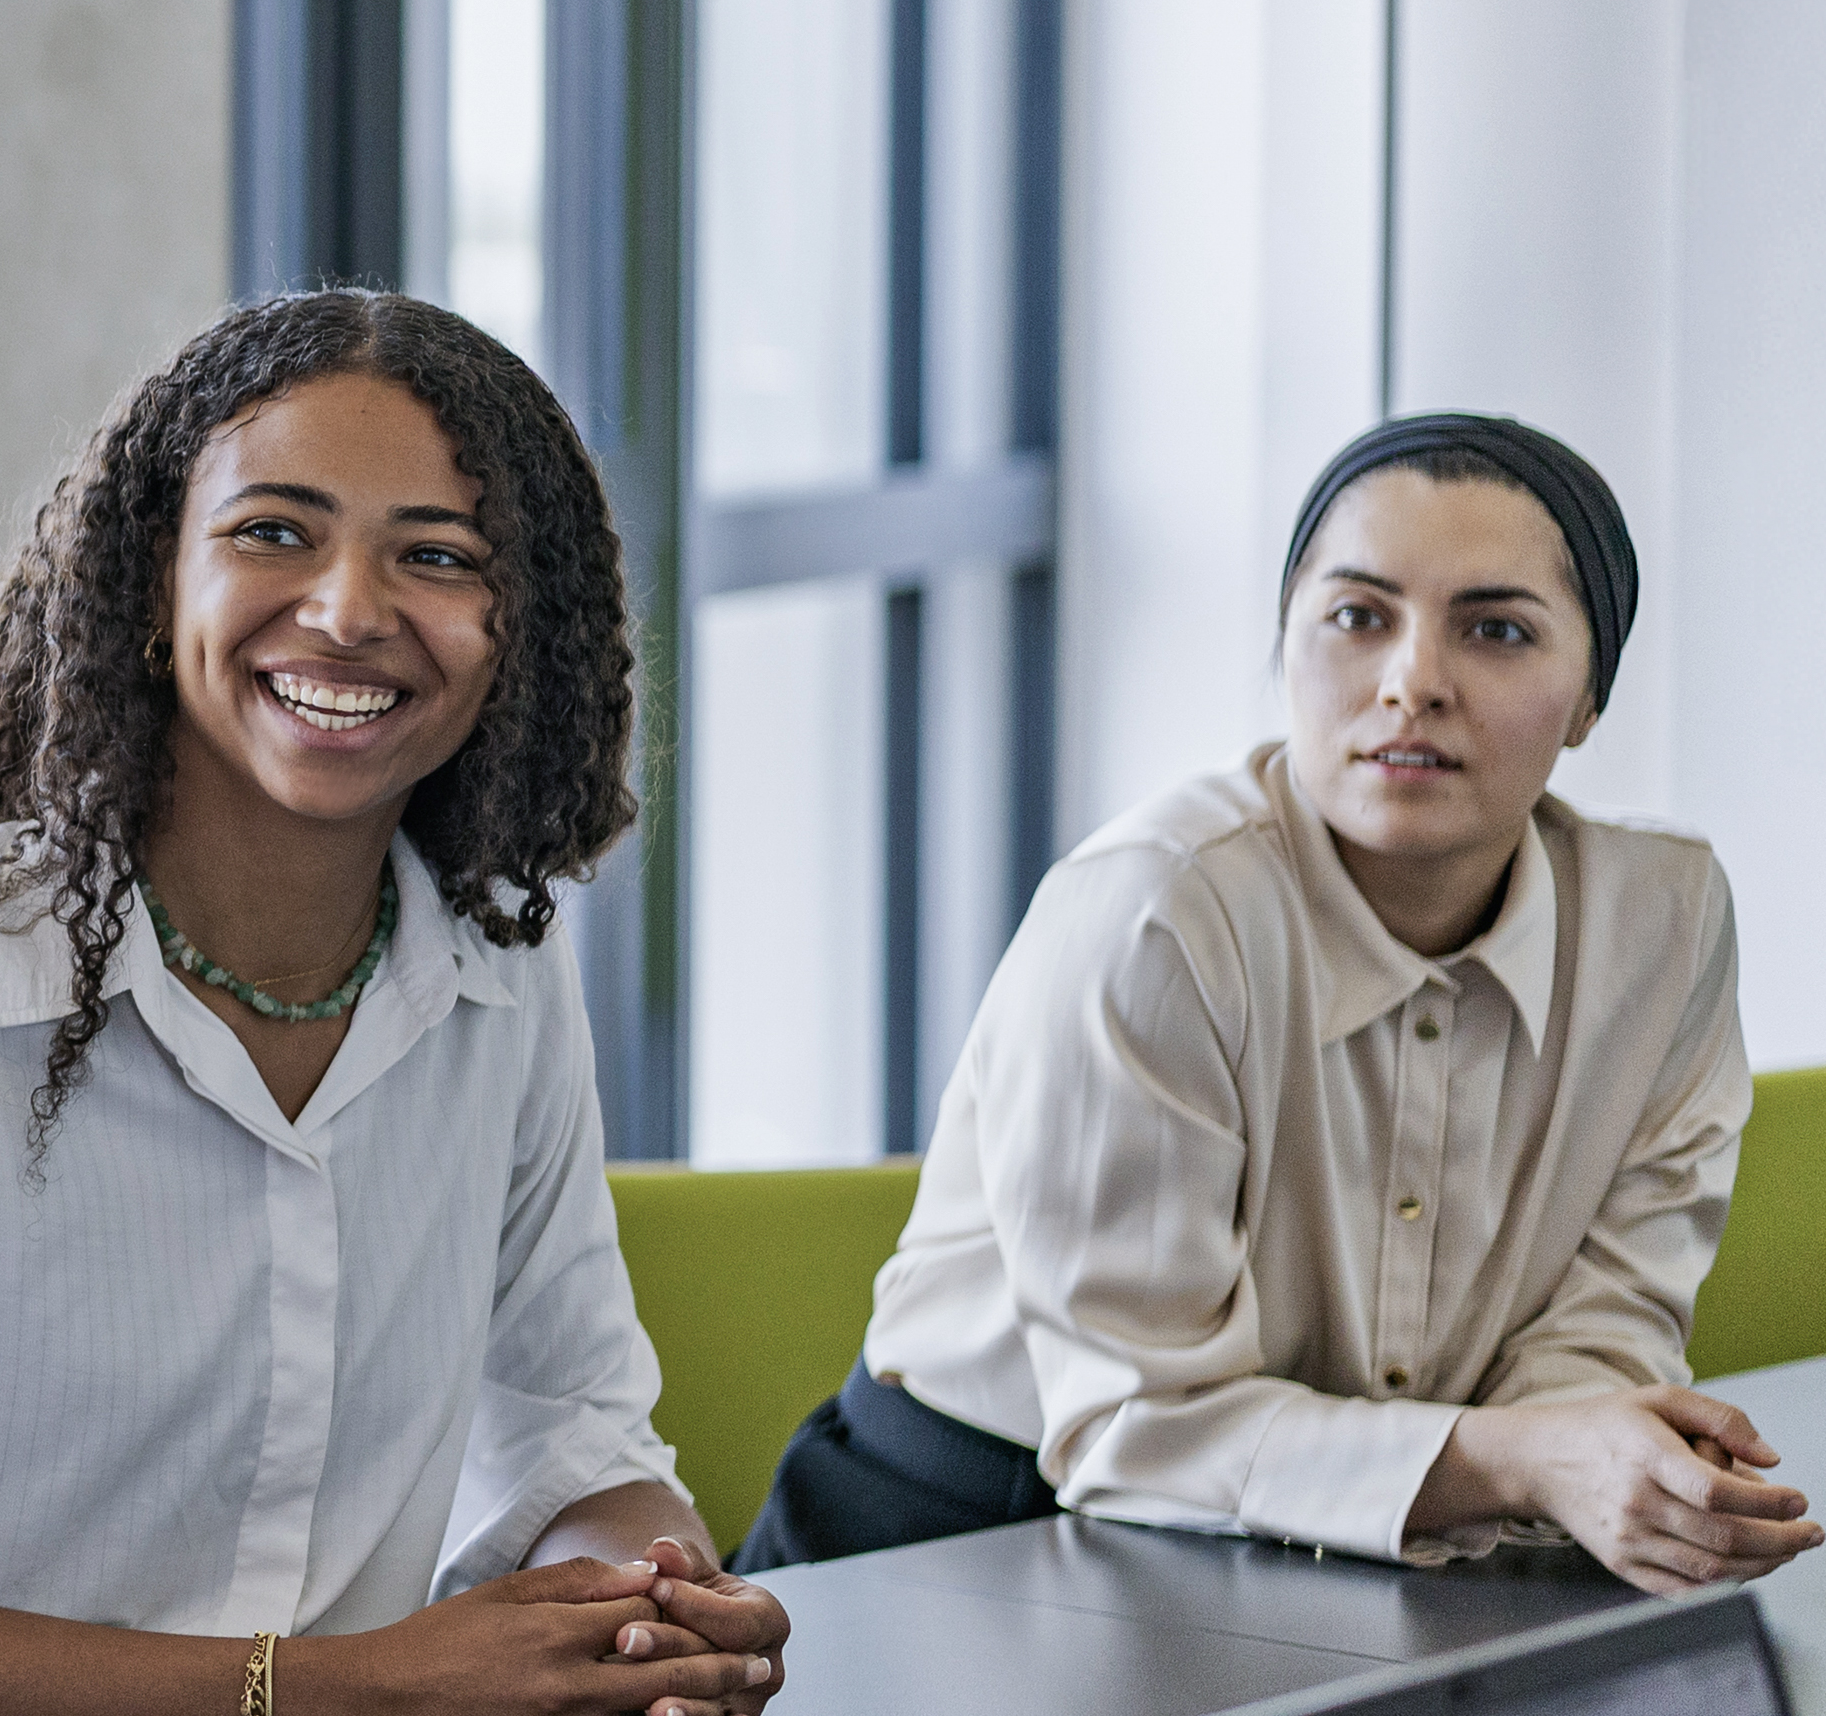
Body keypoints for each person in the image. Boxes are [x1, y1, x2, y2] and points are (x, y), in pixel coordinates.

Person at [0, 289, 792, 1716]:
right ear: (152, 579)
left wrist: (660, 1619)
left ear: (516, 636)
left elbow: (573, 1438)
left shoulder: (502, 973)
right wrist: (355, 1702)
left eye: (438, 556)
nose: (347, 608)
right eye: (275, 530)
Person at [752, 413, 1813, 1593]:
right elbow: (1131, 1427)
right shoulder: (1157, 914)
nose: (1411, 683)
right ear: (1283, 651)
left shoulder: (1659, 924)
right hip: (972, 1542)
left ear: (1587, 701)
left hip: (1388, 1555)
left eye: (1496, 630)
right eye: (1357, 618)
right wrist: (1510, 1460)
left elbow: (1608, 1310)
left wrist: (1593, 1461)